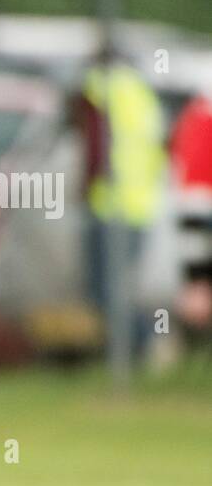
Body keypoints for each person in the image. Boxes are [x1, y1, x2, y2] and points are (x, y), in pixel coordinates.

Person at [71, 42, 166, 359]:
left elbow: (94, 145)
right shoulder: (141, 92)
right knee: (119, 290)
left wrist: (83, 186)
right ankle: (141, 348)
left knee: (102, 291)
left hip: (110, 205)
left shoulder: (99, 88)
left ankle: (144, 346)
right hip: (140, 206)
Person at [168, 92, 212, 335]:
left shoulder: (193, 113)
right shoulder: (200, 114)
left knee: (197, 285)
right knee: (198, 286)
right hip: (198, 205)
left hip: (191, 204)